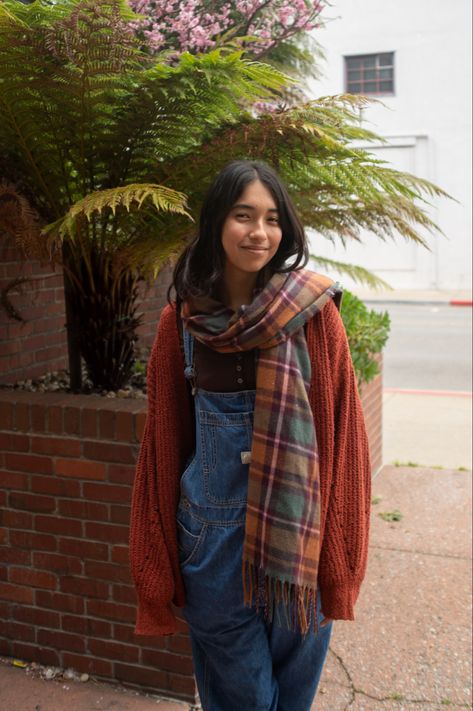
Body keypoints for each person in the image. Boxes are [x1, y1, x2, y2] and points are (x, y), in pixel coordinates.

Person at [129, 160, 371, 711]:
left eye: (271, 218)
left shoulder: (316, 316)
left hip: (299, 544)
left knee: (291, 699)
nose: (259, 233)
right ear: (217, 221)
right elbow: (163, 449)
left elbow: (347, 441)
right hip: (210, 546)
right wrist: (156, 559)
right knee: (244, 700)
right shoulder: (182, 321)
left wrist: (341, 557)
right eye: (243, 216)